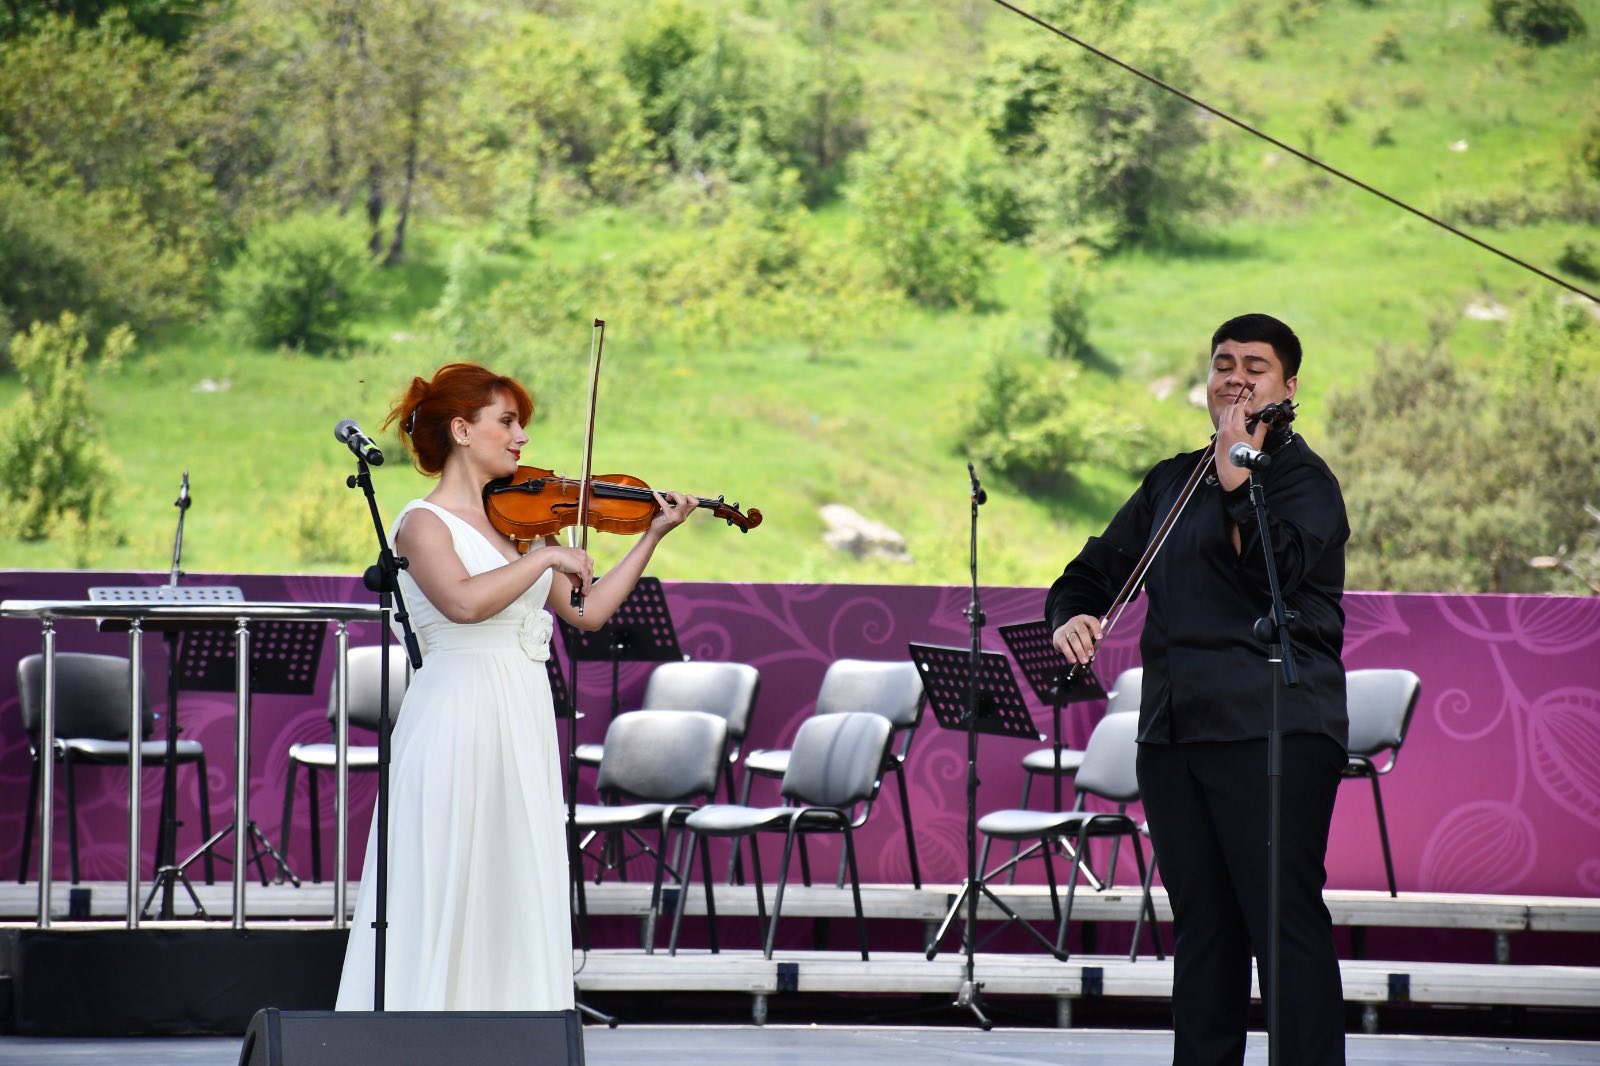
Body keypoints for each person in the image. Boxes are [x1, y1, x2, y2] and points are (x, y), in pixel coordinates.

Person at [336, 362, 694, 1011]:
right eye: (507, 421)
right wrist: (546, 557)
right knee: (452, 875)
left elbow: (586, 612)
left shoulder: (521, 524)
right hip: (457, 718)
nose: (522, 437)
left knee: (512, 883)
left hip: (520, 719)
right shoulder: (424, 523)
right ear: (463, 430)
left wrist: (649, 538)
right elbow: (464, 605)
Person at [1047, 314, 1349, 1065]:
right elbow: (1090, 572)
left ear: (1289, 387)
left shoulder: (1304, 481)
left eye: (1256, 366)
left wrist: (1236, 461)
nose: (1235, 377)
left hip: (1273, 726)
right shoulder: (1169, 482)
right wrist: (1075, 614)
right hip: (1177, 733)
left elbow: (1268, 566)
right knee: (1205, 928)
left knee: (1282, 923)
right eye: (1223, 364)